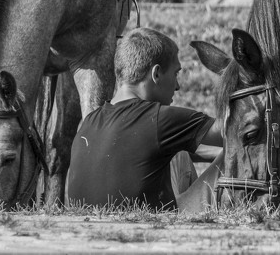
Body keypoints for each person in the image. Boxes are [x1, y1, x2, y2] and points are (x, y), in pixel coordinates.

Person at [65, 27, 222, 211]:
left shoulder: (89, 122)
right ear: (156, 74)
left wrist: (209, 153)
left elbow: (139, 150)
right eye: (175, 74)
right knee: (237, 149)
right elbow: (237, 130)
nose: (178, 86)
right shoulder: (160, 119)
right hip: (152, 230)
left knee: (180, 151)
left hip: (87, 227)